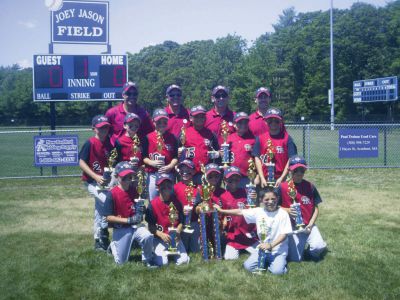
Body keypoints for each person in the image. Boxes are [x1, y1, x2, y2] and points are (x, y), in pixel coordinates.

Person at [214, 187, 292, 275]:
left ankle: (279, 265)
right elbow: (240, 212)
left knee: (277, 272)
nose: (270, 202)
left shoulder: (283, 213)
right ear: (261, 200)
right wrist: (222, 210)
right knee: (248, 267)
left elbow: (284, 234)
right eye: (266, 199)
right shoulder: (258, 211)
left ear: (277, 198)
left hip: (278, 251)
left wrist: (271, 245)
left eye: (273, 199)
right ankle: (268, 263)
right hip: (262, 249)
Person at [103, 161, 155, 266]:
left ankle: (147, 259)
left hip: (136, 226)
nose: (127, 180)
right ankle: (113, 246)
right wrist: (128, 220)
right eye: (124, 177)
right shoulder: (111, 194)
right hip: (121, 227)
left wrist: (141, 209)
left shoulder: (134, 190)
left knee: (148, 236)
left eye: (130, 177)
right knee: (121, 263)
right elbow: (108, 217)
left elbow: (136, 207)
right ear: (117, 177)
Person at [278, 155, 327, 262]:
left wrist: (311, 224)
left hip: (308, 226)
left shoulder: (310, 186)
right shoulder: (282, 187)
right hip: (292, 228)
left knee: (319, 247)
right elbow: (275, 208)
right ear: (290, 170)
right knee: (295, 259)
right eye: (296, 170)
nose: (299, 173)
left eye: (302, 170)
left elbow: (316, 208)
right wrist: (287, 210)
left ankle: (310, 252)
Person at [78, 115, 113, 251]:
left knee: (99, 211)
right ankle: (104, 232)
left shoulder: (109, 143)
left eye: (106, 127)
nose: (104, 129)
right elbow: (81, 162)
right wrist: (96, 176)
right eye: (101, 127)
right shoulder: (90, 143)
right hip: (91, 182)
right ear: (94, 129)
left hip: (105, 182)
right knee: (106, 201)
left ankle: (98, 241)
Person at [145, 173, 190, 266]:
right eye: (163, 185)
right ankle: (155, 252)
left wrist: (178, 230)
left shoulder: (177, 202)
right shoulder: (152, 204)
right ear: (157, 187)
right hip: (160, 238)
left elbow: (182, 222)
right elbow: (150, 226)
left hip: (175, 238)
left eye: (169, 185)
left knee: (184, 261)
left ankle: (173, 252)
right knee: (162, 263)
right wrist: (160, 234)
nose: (166, 187)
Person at [219, 166, 258, 260]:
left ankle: (245, 248)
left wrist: (254, 200)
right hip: (233, 235)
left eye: (236, 179)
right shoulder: (223, 196)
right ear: (225, 179)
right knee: (229, 258)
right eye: (230, 179)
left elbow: (253, 211)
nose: (234, 181)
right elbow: (221, 216)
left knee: (262, 253)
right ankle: (239, 248)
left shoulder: (246, 192)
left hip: (247, 233)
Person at [252, 108, 297, 187]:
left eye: (276, 120)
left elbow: (291, 159)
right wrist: (261, 178)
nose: (273, 123)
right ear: (265, 121)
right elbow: (257, 158)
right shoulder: (260, 138)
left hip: (281, 179)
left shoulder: (287, 139)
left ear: (281, 122)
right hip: (264, 180)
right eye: (270, 120)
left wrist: (282, 178)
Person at [143, 108, 178, 201]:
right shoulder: (147, 137)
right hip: (153, 174)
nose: (162, 124)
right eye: (158, 122)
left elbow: (175, 157)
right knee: (153, 200)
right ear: (153, 122)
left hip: (168, 173)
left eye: (164, 122)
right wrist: (152, 163)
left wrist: (170, 166)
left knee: (169, 200)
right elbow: (144, 157)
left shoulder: (172, 137)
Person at [179, 105, 219, 184]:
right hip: (188, 174)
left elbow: (217, 151)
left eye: (202, 116)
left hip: (206, 174)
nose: (200, 119)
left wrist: (217, 154)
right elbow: (177, 152)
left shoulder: (211, 134)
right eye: (196, 117)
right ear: (191, 118)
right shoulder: (184, 133)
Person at [105, 82, 154, 146]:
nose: (132, 96)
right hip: (117, 153)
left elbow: (151, 134)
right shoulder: (111, 113)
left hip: (137, 153)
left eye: (135, 94)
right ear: (123, 95)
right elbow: (104, 134)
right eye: (128, 93)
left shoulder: (144, 113)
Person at [174, 159, 200, 253]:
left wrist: (197, 209)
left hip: (194, 222)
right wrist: (181, 211)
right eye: (182, 171)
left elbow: (201, 205)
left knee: (195, 250)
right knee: (183, 248)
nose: (184, 173)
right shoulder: (175, 187)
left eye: (187, 171)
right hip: (181, 223)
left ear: (193, 172)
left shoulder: (198, 188)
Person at [226, 112, 257, 188]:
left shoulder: (253, 139)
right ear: (234, 124)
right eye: (240, 122)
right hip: (232, 177)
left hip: (248, 177)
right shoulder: (229, 138)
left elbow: (257, 158)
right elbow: (224, 156)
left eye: (245, 123)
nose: (243, 125)